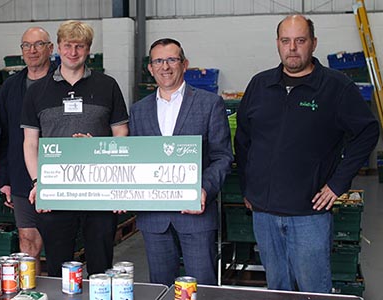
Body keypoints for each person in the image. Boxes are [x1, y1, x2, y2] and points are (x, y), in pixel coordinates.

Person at [235, 15, 379, 293]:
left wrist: (337, 184)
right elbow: (243, 139)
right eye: (286, 41)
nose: (292, 48)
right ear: (277, 43)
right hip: (263, 213)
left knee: (314, 289)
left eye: (300, 41)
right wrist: (247, 187)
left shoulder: (336, 87)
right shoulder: (259, 85)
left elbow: (367, 132)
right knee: (277, 287)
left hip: (309, 213)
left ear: (313, 43)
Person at [21, 20, 129, 277]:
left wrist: (102, 152)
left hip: (100, 192)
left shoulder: (107, 86)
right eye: (67, 45)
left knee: (101, 264)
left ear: (88, 49)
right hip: (56, 191)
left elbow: (121, 135)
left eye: (79, 46)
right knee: (58, 266)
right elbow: (30, 142)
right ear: (58, 47)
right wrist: (39, 183)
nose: (73, 52)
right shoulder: (38, 92)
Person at [129, 38, 233, 286]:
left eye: (172, 59)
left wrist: (204, 188)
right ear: (151, 68)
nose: (165, 66)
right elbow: (132, 158)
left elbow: (222, 156)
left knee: (202, 285)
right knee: (161, 286)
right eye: (158, 61)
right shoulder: (138, 110)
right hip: (154, 218)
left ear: (184, 64)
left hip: (195, 214)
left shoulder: (209, 104)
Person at [0, 27, 56, 275]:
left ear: (50, 49)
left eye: (39, 44)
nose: (32, 51)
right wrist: (4, 179)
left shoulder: (62, 82)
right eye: (26, 46)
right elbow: (3, 136)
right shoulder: (11, 87)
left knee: (57, 242)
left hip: (57, 174)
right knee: (27, 240)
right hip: (20, 176)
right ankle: (31, 291)